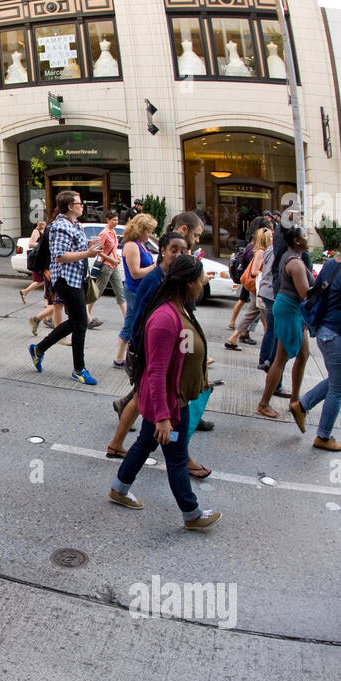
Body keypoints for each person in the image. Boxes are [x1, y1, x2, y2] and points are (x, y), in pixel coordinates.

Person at [107, 255, 220, 530]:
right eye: (202, 278)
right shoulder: (165, 318)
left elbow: (182, 353)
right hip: (169, 403)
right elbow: (157, 371)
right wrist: (163, 417)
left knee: (146, 442)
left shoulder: (181, 309)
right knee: (177, 457)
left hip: (174, 397)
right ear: (190, 283)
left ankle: (119, 488)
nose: (204, 282)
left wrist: (199, 375)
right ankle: (192, 513)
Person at [291, 228, 341, 451]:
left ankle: (302, 405)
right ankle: (323, 436)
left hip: (324, 333)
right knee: (338, 388)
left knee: (335, 381)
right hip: (339, 336)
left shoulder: (330, 265)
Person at [30, 191, 102, 384]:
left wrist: (89, 245)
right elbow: (59, 255)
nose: (82, 206)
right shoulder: (60, 226)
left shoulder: (73, 224)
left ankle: (39, 349)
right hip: (65, 279)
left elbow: (72, 247)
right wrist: (87, 253)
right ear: (70, 206)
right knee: (80, 324)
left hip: (75, 278)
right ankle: (79, 369)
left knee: (76, 322)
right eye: (79, 203)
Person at [256, 225, 312, 420]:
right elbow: (306, 294)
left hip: (293, 310)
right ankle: (263, 404)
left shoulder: (292, 257)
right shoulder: (294, 262)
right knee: (280, 359)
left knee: (303, 354)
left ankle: (295, 400)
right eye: (305, 235)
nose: (308, 237)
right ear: (296, 240)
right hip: (290, 310)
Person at [114, 214, 158, 367]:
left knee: (131, 323)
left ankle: (120, 359)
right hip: (135, 290)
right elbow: (136, 273)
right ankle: (134, 357)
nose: (150, 234)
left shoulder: (140, 244)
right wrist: (155, 267)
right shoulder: (132, 245)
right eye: (148, 231)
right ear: (140, 230)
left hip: (139, 289)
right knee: (140, 324)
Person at [223, 223, 271, 350]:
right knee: (265, 315)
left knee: (253, 313)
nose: (273, 239)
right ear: (266, 239)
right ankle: (271, 343)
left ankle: (234, 338)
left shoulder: (261, 251)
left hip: (256, 289)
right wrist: (266, 274)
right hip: (258, 288)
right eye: (271, 237)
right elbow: (255, 271)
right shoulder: (261, 252)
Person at [90, 210, 125, 327]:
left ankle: (127, 319)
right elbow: (98, 251)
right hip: (106, 266)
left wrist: (117, 257)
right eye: (113, 220)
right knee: (98, 292)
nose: (116, 222)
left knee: (120, 292)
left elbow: (113, 250)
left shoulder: (113, 232)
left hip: (114, 266)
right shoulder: (104, 233)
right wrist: (112, 259)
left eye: (117, 219)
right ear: (108, 220)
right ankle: (86, 314)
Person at [21, 220, 48, 305]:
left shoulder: (45, 231)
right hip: (39, 258)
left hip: (44, 257)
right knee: (44, 280)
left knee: (44, 280)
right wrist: (42, 244)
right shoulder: (36, 232)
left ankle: (25, 291)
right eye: (42, 224)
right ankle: (47, 302)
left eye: (44, 224)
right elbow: (31, 244)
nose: (43, 225)